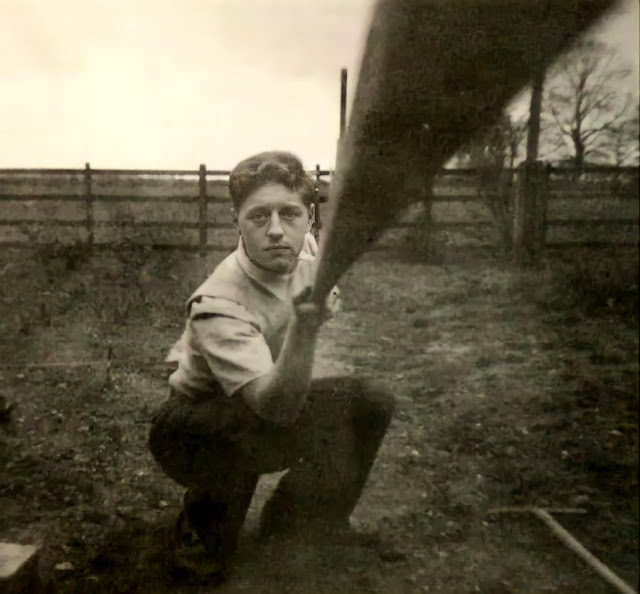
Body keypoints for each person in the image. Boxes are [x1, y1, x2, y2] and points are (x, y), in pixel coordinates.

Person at [148, 151, 394, 580]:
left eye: (290, 214)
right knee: (250, 425)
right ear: (236, 221)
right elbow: (273, 407)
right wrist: (302, 328)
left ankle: (295, 522)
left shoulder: (309, 252)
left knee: (368, 401)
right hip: (191, 425)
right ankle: (202, 532)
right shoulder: (218, 302)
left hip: (252, 400)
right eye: (259, 216)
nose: (277, 231)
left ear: (309, 220)